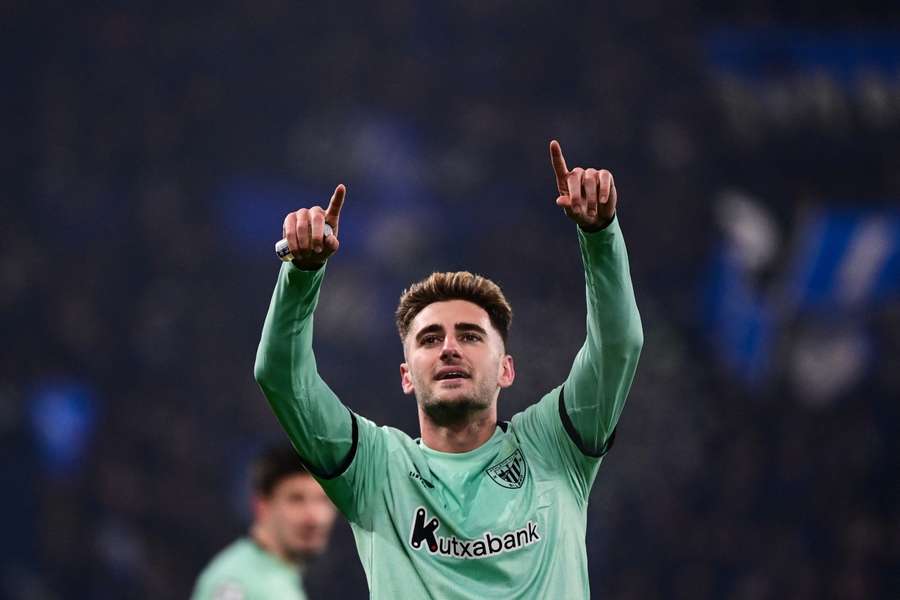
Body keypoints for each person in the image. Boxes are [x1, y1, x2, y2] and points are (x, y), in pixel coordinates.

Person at [254, 140, 643, 598]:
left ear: (506, 369)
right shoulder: (377, 469)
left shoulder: (554, 447)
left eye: (471, 336)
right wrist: (301, 274)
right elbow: (280, 375)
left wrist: (601, 237)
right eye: (430, 339)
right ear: (405, 375)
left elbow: (619, 345)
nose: (450, 349)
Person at [191, 444, 337, 600]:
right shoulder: (236, 581)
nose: (313, 518)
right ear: (262, 506)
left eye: (323, 500)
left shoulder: (276, 578)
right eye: (296, 499)